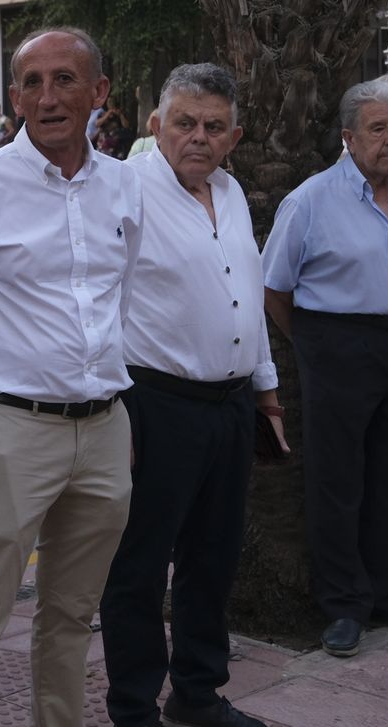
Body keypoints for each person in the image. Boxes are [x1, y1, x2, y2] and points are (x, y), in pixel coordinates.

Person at [0, 28, 141, 727]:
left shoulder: (125, 187)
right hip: (9, 430)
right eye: (32, 83)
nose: (48, 98)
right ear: (13, 95)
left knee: (73, 614)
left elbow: (120, 298)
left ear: (98, 92)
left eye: (66, 80)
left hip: (106, 429)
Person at [99, 64, 283, 727]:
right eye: (184, 123)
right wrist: (112, 412)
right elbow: (104, 302)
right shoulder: (126, 193)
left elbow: (247, 299)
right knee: (141, 566)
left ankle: (198, 693)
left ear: (234, 136)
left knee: (215, 554)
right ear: (156, 125)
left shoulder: (231, 194)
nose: (197, 137)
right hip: (156, 404)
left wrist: (266, 392)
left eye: (212, 126)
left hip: (230, 406)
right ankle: (132, 705)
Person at [262, 77, 388, 658]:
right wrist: (312, 344)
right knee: (338, 479)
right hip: (336, 344)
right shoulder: (312, 199)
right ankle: (344, 605)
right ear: (349, 138)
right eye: (378, 129)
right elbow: (272, 287)